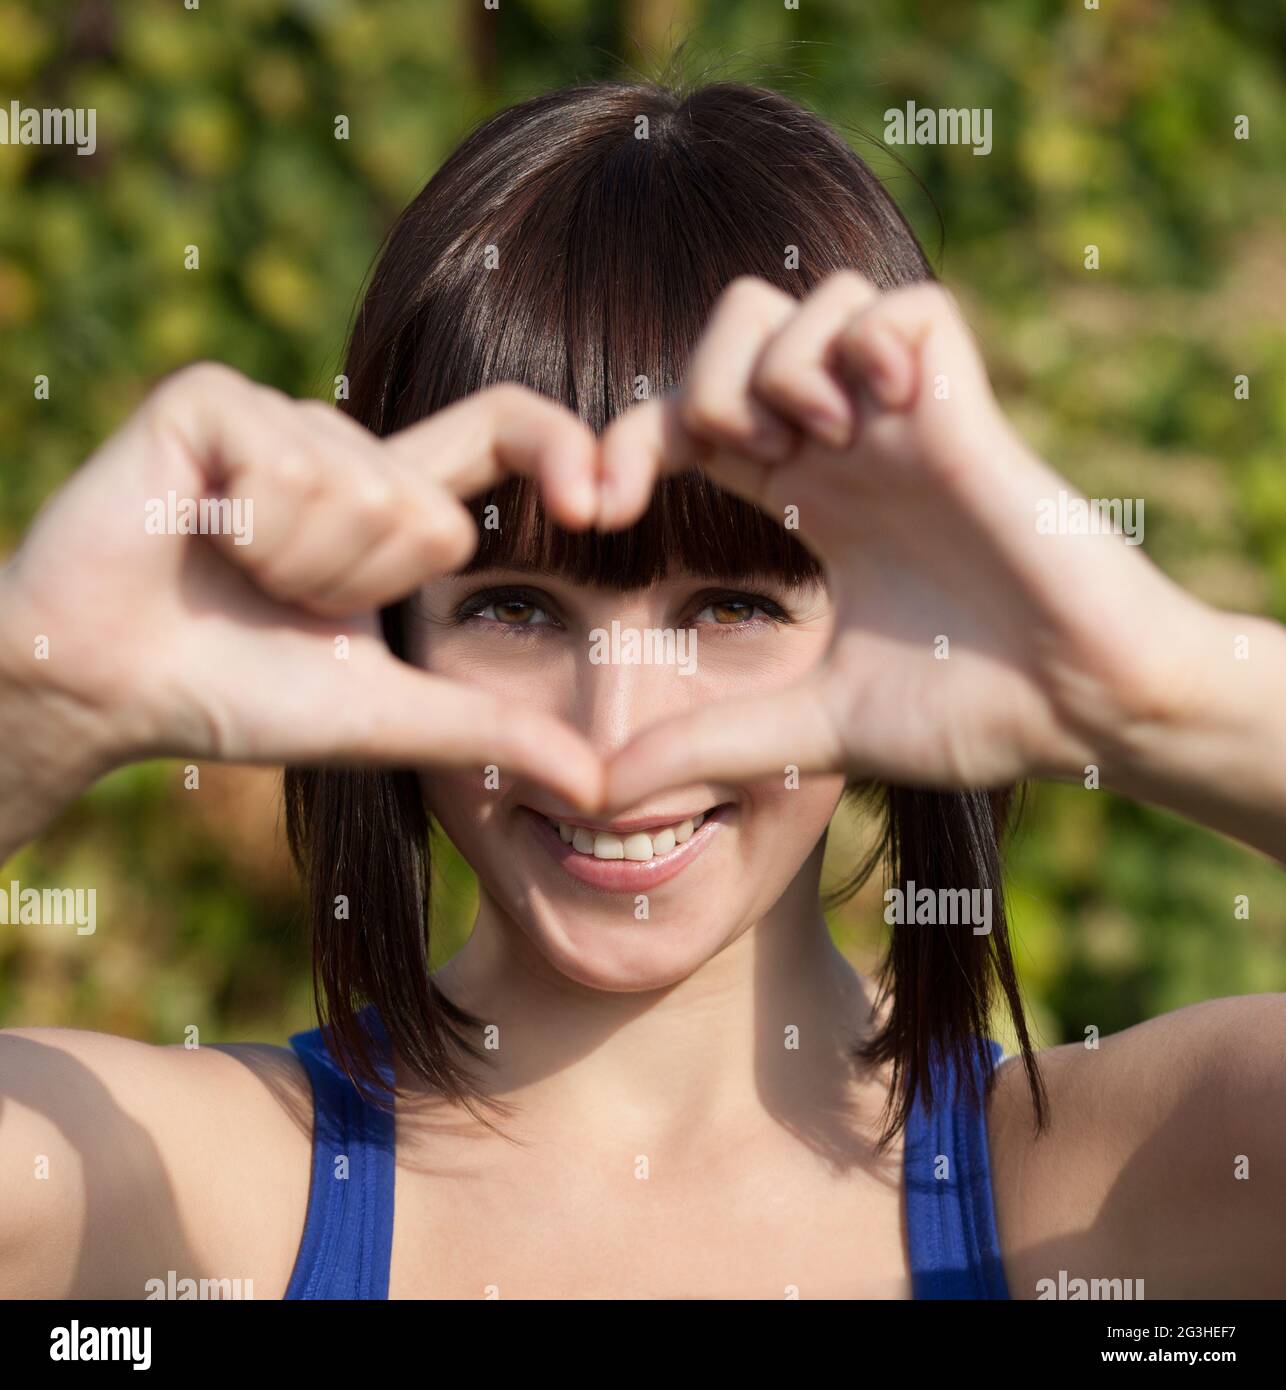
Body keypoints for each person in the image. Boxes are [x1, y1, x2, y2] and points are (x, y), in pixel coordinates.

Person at [0, 79, 1282, 1300]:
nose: (614, 738)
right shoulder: (185, 1192)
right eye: (513, 605)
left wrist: (1160, 694)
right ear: (392, 627)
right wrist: (36, 697)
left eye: (730, 606)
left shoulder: (1109, 1184)